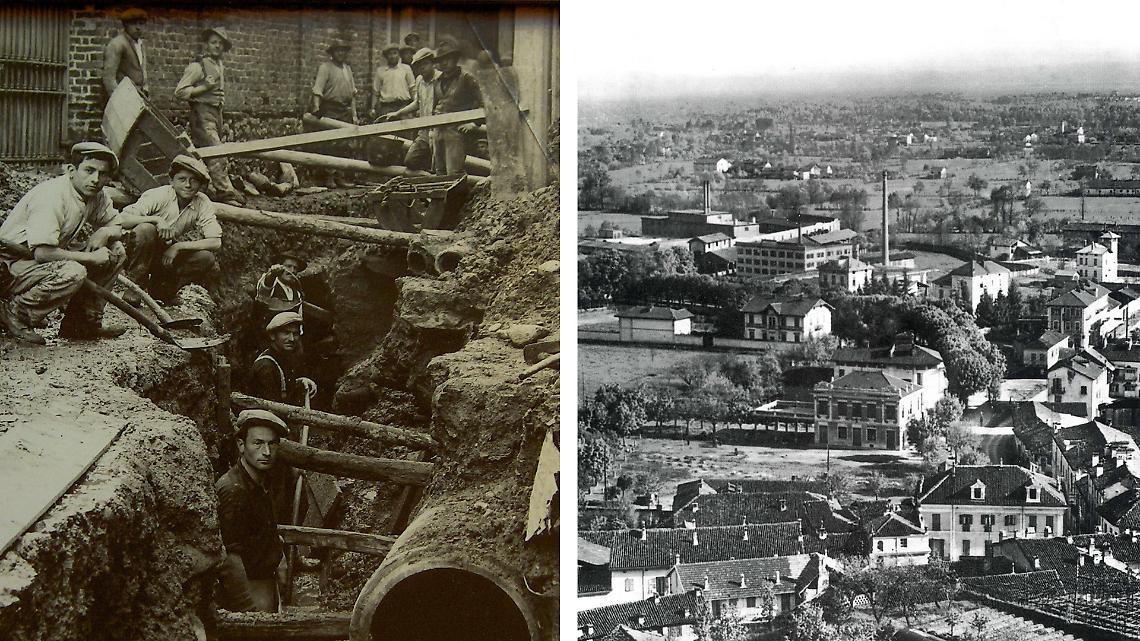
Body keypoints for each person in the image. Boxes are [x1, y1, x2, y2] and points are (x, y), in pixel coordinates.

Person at [0, 142, 128, 344]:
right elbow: (43, 253)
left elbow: (117, 224)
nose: (95, 179)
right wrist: (90, 257)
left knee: (116, 250)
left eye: (102, 174)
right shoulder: (53, 196)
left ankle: (81, 323)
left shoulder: (96, 194)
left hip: (39, 261)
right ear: (71, 170)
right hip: (10, 264)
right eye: (89, 170)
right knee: (73, 272)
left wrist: (104, 231)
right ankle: (16, 313)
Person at [118, 155, 221, 302]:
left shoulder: (202, 202)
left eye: (194, 180)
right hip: (136, 252)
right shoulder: (159, 195)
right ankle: (135, 286)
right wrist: (156, 220)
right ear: (171, 181)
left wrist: (178, 247)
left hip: (165, 252)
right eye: (182, 179)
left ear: (200, 185)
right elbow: (121, 219)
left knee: (206, 258)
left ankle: (163, 289)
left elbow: (215, 242)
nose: (188, 185)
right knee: (146, 229)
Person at [215, 409, 289, 613]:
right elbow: (230, 559)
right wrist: (250, 613)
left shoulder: (261, 480)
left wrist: (280, 558)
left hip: (265, 582)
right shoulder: (233, 490)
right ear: (241, 445)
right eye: (257, 443)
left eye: (272, 443)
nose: (266, 452)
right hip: (248, 588)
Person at [174, 26, 245, 207]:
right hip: (202, 114)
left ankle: (205, 188)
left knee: (209, 152)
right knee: (216, 152)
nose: (217, 47)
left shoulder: (219, 65)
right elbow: (180, 92)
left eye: (221, 44)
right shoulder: (197, 66)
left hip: (215, 113)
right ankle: (224, 192)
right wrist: (204, 87)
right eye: (214, 43)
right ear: (206, 44)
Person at [308, 40, 358, 188]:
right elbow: (317, 90)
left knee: (344, 145)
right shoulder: (325, 68)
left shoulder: (347, 69)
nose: (341, 53)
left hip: (344, 110)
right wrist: (316, 107)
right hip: (330, 109)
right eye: (338, 51)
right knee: (330, 144)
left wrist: (354, 114)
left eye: (344, 51)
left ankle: (340, 176)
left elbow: (353, 95)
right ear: (332, 53)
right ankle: (329, 176)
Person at [431, 37, 483, 176]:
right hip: (438, 131)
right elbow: (435, 106)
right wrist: (432, 130)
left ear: (455, 59)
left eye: (448, 58)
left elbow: (483, 103)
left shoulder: (466, 78)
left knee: (454, 173)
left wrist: (474, 123)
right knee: (439, 172)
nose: (445, 62)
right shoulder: (437, 81)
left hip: (456, 133)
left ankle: (459, 198)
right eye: (441, 59)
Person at [383, 47, 438, 173]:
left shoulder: (440, 79)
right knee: (410, 161)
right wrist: (398, 113)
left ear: (433, 63)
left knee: (438, 165)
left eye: (425, 64)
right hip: (424, 130)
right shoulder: (419, 80)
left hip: (439, 130)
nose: (422, 68)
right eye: (419, 66)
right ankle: (425, 177)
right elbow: (417, 103)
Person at [246, 311, 318, 407]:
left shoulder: (280, 358)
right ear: (272, 335)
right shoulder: (266, 366)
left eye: (295, 333)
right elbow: (272, 408)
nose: (292, 339)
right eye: (286, 333)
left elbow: (282, 385)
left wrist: (300, 382)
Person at [102, 8, 148, 100]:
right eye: (134, 23)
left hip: (138, 97)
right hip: (123, 97)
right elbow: (109, 78)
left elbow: (142, 70)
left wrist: (145, 89)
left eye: (141, 24)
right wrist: (120, 100)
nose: (138, 27)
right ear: (126, 25)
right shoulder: (117, 44)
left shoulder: (140, 44)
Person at [370, 42, 414, 120]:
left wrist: (415, 105)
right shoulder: (380, 71)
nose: (392, 56)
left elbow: (413, 88)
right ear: (386, 56)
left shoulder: (406, 69)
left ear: (399, 55)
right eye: (389, 54)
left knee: (405, 130)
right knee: (388, 130)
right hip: (387, 107)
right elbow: (375, 92)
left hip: (403, 106)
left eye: (395, 53)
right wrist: (373, 108)